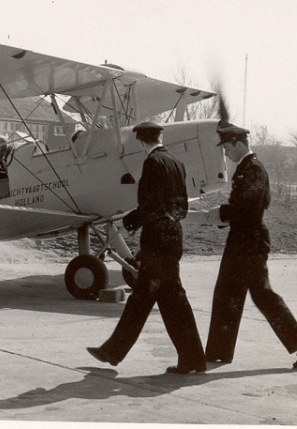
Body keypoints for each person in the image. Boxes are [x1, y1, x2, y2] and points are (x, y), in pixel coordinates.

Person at [86, 122, 207, 374]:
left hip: (157, 240)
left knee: (150, 298)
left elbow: (151, 204)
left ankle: (115, 351)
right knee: (160, 298)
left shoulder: (152, 163)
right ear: (159, 137)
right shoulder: (177, 163)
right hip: (173, 236)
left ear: (141, 142)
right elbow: (181, 206)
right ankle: (191, 358)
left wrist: (132, 220)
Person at [204, 124, 297, 368]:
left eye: (226, 148)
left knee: (254, 294)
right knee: (235, 293)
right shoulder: (247, 168)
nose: (226, 153)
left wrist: (222, 213)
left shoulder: (253, 169)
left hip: (250, 240)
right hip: (244, 238)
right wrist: (224, 216)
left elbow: (247, 207)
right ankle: (219, 351)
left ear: (238, 143)